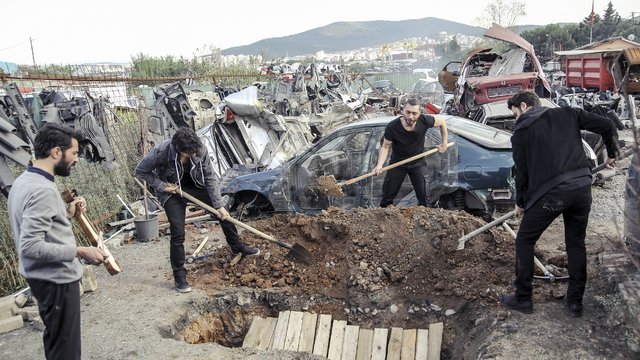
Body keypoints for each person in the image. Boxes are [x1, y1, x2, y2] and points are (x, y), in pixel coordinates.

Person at [499, 91, 619, 317]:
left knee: (524, 240)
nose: (515, 119)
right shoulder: (568, 113)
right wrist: (612, 152)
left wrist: (520, 203)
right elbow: (607, 124)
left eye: (514, 113)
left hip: (551, 194)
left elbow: (522, 174)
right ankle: (575, 303)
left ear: (524, 106)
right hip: (582, 188)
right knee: (576, 243)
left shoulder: (521, 132)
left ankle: (523, 298)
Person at [8, 123, 107, 360]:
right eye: (73, 153)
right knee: (66, 350)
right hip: (56, 281)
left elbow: (38, 225)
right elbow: (30, 246)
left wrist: (67, 213)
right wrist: (81, 251)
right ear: (56, 152)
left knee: (56, 341)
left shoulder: (25, 180)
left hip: (41, 278)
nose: (76, 159)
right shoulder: (43, 190)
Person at [135, 127, 260, 293]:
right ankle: (179, 275)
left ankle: (237, 246)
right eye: (190, 153)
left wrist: (219, 205)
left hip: (195, 187)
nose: (194, 154)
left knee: (223, 214)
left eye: (195, 151)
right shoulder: (161, 152)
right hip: (172, 191)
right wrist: (162, 186)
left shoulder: (200, 149)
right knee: (178, 232)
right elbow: (140, 171)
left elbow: (209, 178)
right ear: (179, 149)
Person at [373, 97, 448, 207]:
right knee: (387, 198)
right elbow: (385, 146)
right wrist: (379, 165)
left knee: (425, 199)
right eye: (407, 112)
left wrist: (444, 143)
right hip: (397, 163)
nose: (410, 116)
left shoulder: (424, 120)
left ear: (419, 113)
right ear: (403, 110)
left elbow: (442, 122)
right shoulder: (392, 127)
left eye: (414, 113)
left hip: (418, 162)